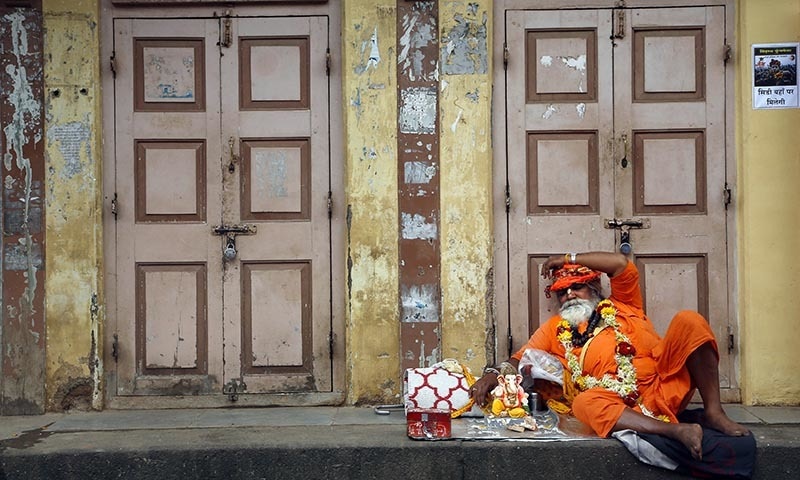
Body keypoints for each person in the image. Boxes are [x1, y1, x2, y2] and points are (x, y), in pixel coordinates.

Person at [470, 251, 750, 461]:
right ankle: (676, 432)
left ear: (593, 288)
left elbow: (620, 264)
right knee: (583, 403)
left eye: (576, 287)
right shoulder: (556, 329)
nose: (569, 295)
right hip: (618, 407)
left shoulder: (623, 303)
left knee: (690, 321)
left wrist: (569, 256)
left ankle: (714, 412)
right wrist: (492, 375)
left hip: (664, 386)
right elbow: (520, 358)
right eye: (562, 293)